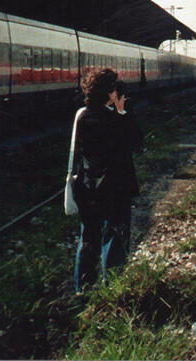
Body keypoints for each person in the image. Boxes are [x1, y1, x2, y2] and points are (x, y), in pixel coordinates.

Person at [72, 68, 141, 292]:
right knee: (114, 237)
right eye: (114, 89)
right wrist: (122, 114)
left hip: (87, 188)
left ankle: (82, 288)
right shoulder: (114, 119)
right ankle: (113, 288)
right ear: (109, 93)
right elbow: (135, 143)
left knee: (88, 238)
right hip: (115, 189)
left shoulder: (82, 116)